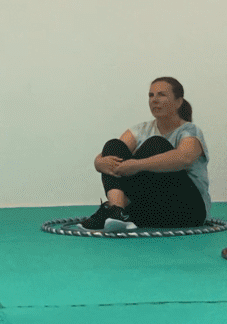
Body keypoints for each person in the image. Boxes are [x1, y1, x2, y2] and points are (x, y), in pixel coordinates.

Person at [77, 77, 210, 231]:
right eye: (151, 95)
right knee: (113, 145)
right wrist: (98, 163)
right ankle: (117, 211)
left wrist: (137, 165)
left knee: (155, 144)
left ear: (178, 101)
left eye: (161, 95)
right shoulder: (141, 130)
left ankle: (115, 210)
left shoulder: (190, 131)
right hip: (151, 209)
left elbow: (184, 158)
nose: (154, 100)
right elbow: (111, 153)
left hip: (187, 210)